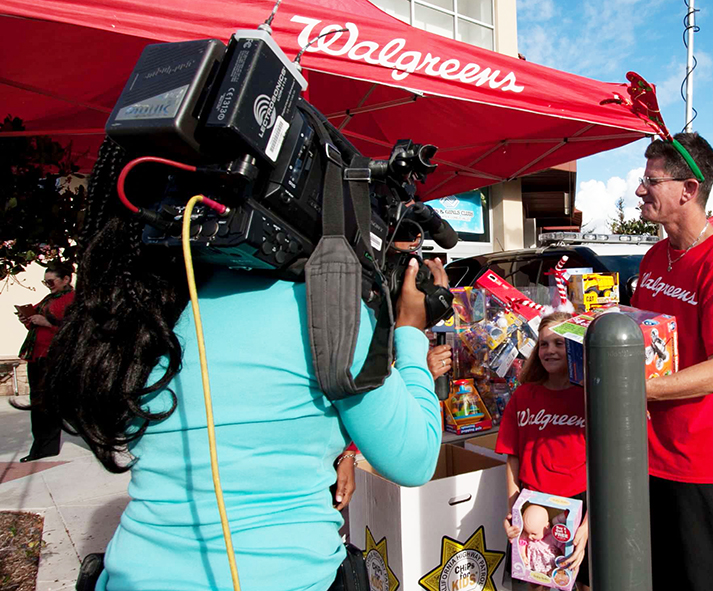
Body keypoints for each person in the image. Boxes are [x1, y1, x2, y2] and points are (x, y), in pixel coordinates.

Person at [45, 138, 444, 591]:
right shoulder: (326, 311)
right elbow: (414, 459)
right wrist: (409, 331)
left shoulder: (134, 310)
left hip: (129, 577)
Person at [631, 131, 713, 591]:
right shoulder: (654, 257)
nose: (640, 190)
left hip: (696, 462)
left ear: (688, 189)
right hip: (647, 452)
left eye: (651, 181)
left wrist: (635, 389)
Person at [495, 312, 590, 591]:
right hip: (534, 503)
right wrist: (513, 510)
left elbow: (605, 467)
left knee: (583, 581)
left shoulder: (589, 396)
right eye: (544, 344)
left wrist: (587, 526)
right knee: (536, 583)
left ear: (574, 347)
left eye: (559, 343)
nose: (550, 350)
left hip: (579, 505)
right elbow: (512, 456)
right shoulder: (524, 395)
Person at [14, 261, 75, 462]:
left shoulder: (72, 299)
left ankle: (45, 445)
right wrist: (28, 320)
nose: (48, 285)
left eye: (51, 281)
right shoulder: (49, 298)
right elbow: (37, 324)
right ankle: (43, 446)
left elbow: (74, 328)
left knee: (52, 402)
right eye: (45, 282)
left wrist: (47, 323)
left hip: (55, 356)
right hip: (38, 355)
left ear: (66, 279)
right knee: (40, 403)